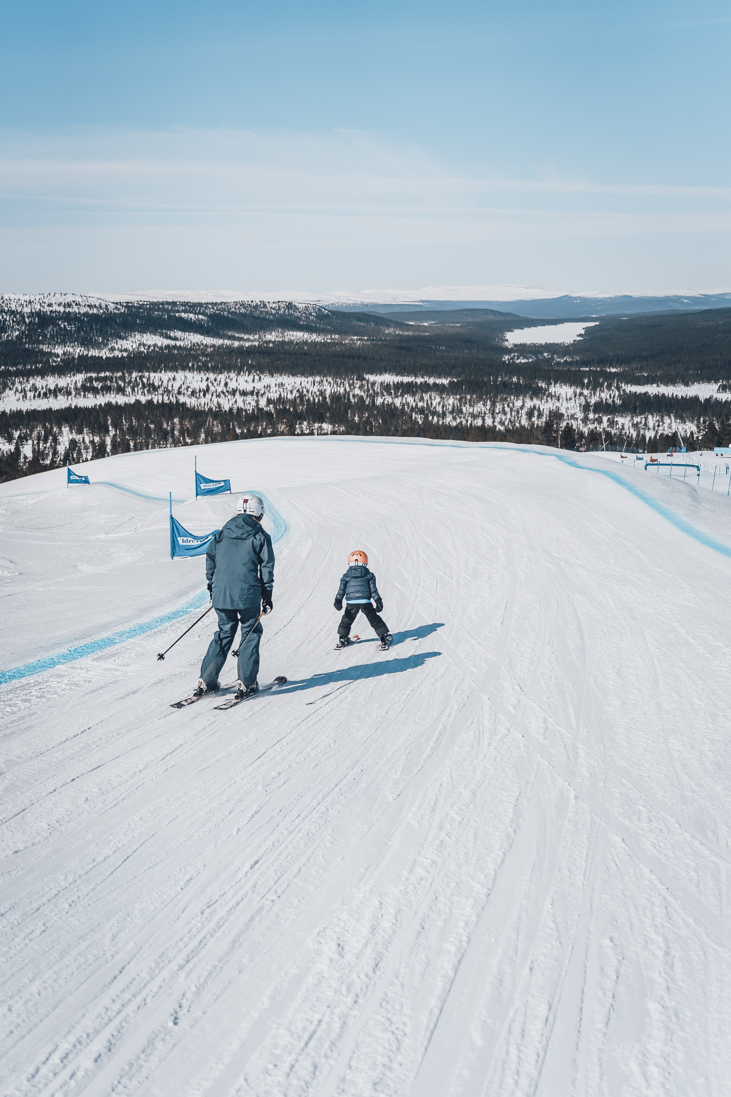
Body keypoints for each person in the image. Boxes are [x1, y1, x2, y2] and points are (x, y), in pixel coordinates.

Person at [196, 494, 274, 700]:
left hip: (222, 594)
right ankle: (246, 683)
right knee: (250, 632)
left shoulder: (221, 534)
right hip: (247, 594)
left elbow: (210, 558)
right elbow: (267, 566)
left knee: (224, 632)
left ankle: (207, 679)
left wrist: (213, 585)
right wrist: (267, 593)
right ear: (259, 512)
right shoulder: (260, 536)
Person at [334, 550, 392, 650]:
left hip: (351, 602)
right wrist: (378, 601)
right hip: (365, 601)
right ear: (365, 562)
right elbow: (374, 590)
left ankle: (343, 638)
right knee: (374, 619)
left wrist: (338, 600)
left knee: (347, 619)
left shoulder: (346, 576)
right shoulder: (369, 575)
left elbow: (341, 590)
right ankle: (384, 637)